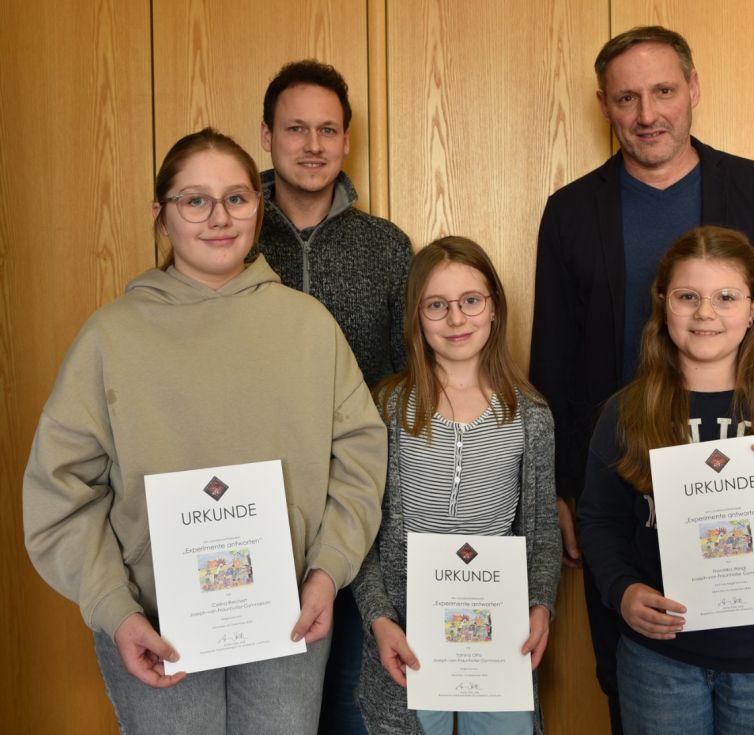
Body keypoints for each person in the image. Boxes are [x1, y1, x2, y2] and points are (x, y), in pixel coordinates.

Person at [22, 128, 387, 735]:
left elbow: (360, 461)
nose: (219, 217)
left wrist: (327, 572)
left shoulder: (308, 327)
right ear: (161, 216)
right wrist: (115, 609)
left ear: (259, 207)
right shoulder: (109, 337)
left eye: (237, 198)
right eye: (195, 200)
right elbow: (61, 495)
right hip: (154, 625)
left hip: (288, 616)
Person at [528, 25, 754, 731]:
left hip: (746, 482)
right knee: (639, 671)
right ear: (604, 105)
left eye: (663, 91)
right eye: (626, 97)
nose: (647, 113)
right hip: (624, 493)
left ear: (692, 90)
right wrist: (558, 488)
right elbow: (552, 362)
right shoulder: (571, 212)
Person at [577, 225, 754, 734]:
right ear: (662, 304)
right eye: (687, 296)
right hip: (662, 660)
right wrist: (623, 590)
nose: (705, 313)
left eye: (725, 297)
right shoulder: (626, 412)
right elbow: (600, 521)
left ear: (753, 309)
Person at [256, 59, 413, 733]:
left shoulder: (386, 247)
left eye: (327, 129)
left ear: (347, 139)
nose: (312, 145)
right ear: (266, 135)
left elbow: (413, 384)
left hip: (358, 515)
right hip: (254, 515)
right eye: (296, 128)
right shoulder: (230, 237)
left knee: (352, 709)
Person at [351, 236, 562, 734]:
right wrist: (379, 619)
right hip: (406, 639)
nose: (456, 319)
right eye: (436, 306)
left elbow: (542, 531)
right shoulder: (386, 410)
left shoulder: (529, 413)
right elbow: (359, 531)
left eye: (471, 301)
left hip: (499, 641)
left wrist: (541, 606)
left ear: (494, 309)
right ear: (416, 318)